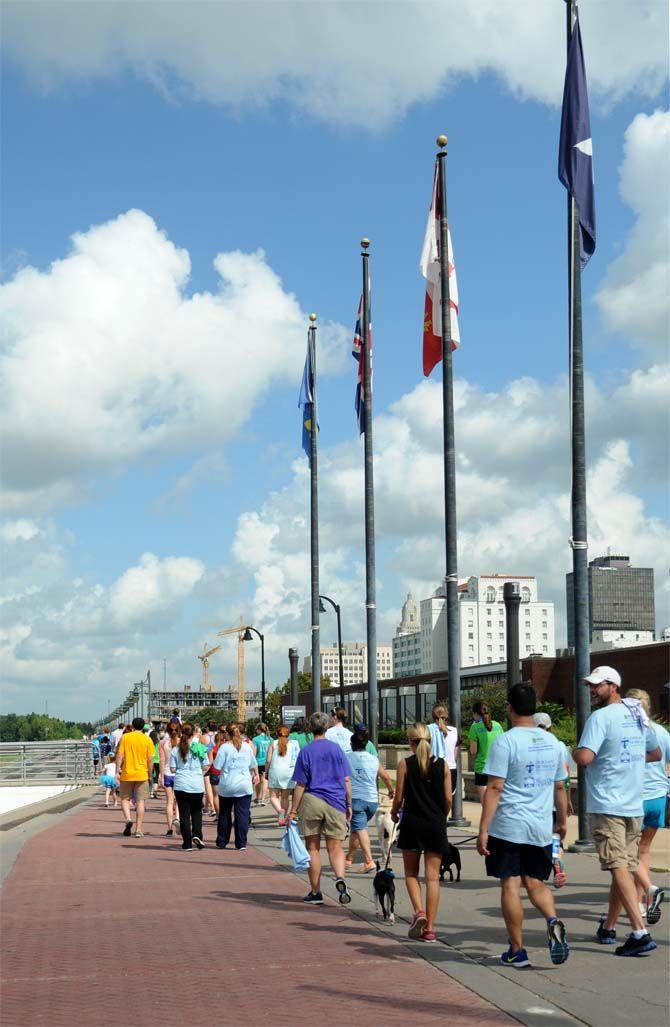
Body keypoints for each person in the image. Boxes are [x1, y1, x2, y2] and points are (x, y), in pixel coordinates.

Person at [477, 683, 569, 968]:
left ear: (510, 707)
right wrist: (563, 821)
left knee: (510, 885)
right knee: (536, 882)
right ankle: (553, 920)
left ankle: (517, 950)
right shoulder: (553, 744)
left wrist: (483, 829)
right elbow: (560, 787)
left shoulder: (506, 741)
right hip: (540, 826)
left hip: (509, 826)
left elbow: (495, 787)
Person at [573, 666, 661, 957]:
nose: (592, 690)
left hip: (608, 803)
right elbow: (655, 753)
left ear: (613, 686)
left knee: (617, 865)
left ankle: (639, 931)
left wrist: (573, 752)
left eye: (597, 686)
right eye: (590, 686)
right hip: (633, 802)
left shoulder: (600, 718)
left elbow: (585, 757)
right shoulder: (637, 715)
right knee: (622, 866)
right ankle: (609, 926)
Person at [391, 723, 451, 943]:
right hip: (435, 824)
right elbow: (448, 799)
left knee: (411, 874)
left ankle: (419, 912)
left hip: (413, 823)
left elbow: (398, 798)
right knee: (433, 878)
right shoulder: (443, 765)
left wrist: (394, 813)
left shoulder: (405, 765)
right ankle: (431, 929)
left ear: (410, 742)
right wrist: (441, 816)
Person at [287, 711, 352, 906]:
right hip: (335, 801)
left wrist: (292, 811)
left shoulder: (306, 751)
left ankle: (316, 892)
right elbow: (346, 779)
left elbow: (300, 784)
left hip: (312, 799)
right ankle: (340, 877)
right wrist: (348, 804)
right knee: (336, 846)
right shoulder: (337, 749)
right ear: (326, 727)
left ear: (310, 728)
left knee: (313, 848)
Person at [625, 688, 669, 924]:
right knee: (643, 851)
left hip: (636, 797)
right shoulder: (662, 732)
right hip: (659, 797)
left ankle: (647, 892)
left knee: (625, 854)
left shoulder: (632, 731)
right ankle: (643, 902)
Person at [346, 725, 394, 872]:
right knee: (356, 829)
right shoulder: (373, 759)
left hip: (356, 800)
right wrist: (391, 790)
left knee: (360, 829)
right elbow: (385, 776)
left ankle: (369, 861)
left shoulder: (347, 757)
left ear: (352, 744)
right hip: (372, 801)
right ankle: (349, 858)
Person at [532, 711, 572, 888]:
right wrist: (567, 800)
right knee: (556, 836)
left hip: (536, 802)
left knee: (537, 839)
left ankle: (537, 872)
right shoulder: (559, 746)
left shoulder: (529, 745)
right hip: (555, 800)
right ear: (551, 727)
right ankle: (556, 861)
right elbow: (565, 778)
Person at [214, 722, 258, 850]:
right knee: (242, 814)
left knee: (225, 814)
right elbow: (252, 763)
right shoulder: (246, 746)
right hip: (244, 784)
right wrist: (256, 775)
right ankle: (241, 843)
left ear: (227, 734)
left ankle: (222, 841)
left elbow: (217, 766)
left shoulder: (224, 747)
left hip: (227, 785)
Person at [169, 723, 208, 851]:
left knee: (184, 814)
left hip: (181, 785)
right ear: (193, 733)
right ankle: (197, 834)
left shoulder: (176, 749)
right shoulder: (200, 748)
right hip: (197, 784)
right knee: (197, 812)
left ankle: (187, 843)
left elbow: (173, 769)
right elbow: (206, 766)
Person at [115, 716, 155, 838]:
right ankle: (138, 829)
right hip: (142, 773)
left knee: (125, 799)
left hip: (127, 773)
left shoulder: (126, 737)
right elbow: (150, 760)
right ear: (143, 727)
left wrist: (117, 770)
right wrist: (149, 773)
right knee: (140, 801)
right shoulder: (147, 740)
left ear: (132, 726)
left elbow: (120, 755)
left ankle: (128, 819)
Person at [469, 701, 504, 803]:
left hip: (482, 768)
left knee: (485, 803)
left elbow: (473, 751)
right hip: (498, 768)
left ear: (476, 713)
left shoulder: (474, 727)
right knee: (496, 802)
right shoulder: (498, 725)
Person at [266, 725, 300, 826]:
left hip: (275, 771)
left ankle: (279, 810)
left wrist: (266, 772)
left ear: (277, 734)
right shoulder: (293, 744)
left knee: (273, 796)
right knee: (285, 798)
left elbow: (268, 760)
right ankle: (283, 818)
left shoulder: (273, 743)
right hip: (289, 773)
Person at [428, 703, 460, 799]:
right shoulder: (454, 731)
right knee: (447, 800)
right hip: (451, 769)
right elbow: (455, 754)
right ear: (446, 716)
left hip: (434, 768)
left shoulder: (428, 729)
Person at [160, 723, 180, 836]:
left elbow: (162, 760)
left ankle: (169, 829)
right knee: (179, 800)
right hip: (179, 774)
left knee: (169, 801)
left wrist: (161, 776)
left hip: (167, 773)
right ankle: (177, 818)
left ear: (167, 731)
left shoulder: (163, 743)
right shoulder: (182, 742)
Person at [251, 723, 272, 805]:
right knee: (265, 780)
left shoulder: (255, 739)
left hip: (258, 762)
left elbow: (254, 752)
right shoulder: (270, 739)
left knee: (258, 780)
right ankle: (263, 798)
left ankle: (258, 797)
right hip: (267, 762)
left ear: (259, 729)